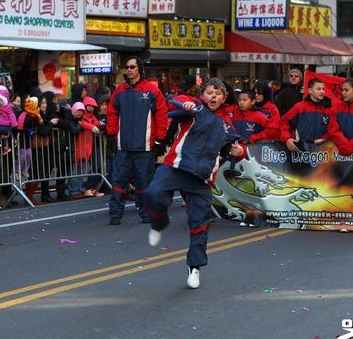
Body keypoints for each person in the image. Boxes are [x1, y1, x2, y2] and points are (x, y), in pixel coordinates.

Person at [145, 78, 247, 289]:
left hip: (201, 179)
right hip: (176, 166)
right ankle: (159, 224)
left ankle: (194, 268)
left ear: (224, 98)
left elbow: (236, 149)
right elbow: (176, 103)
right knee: (153, 194)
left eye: (218, 93)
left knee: (199, 225)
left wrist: (239, 152)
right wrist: (186, 105)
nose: (213, 96)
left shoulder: (227, 126)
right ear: (203, 95)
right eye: (209, 92)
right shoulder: (195, 110)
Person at [106, 56, 168, 225]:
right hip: (123, 146)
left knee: (144, 183)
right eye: (127, 67)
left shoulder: (152, 90)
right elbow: (112, 113)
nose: (129, 70)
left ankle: (146, 214)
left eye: (132, 67)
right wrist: (111, 135)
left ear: (139, 69)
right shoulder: (119, 91)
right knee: (119, 182)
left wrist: (160, 140)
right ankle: (115, 215)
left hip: (145, 147)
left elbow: (161, 115)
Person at [0, 83, 17, 155]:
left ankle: (3, 146)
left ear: (4, 100)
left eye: (0, 100)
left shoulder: (7, 107)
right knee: (0, 135)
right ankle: (3, 146)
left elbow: (11, 114)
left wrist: (14, 123)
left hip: (2, 123)